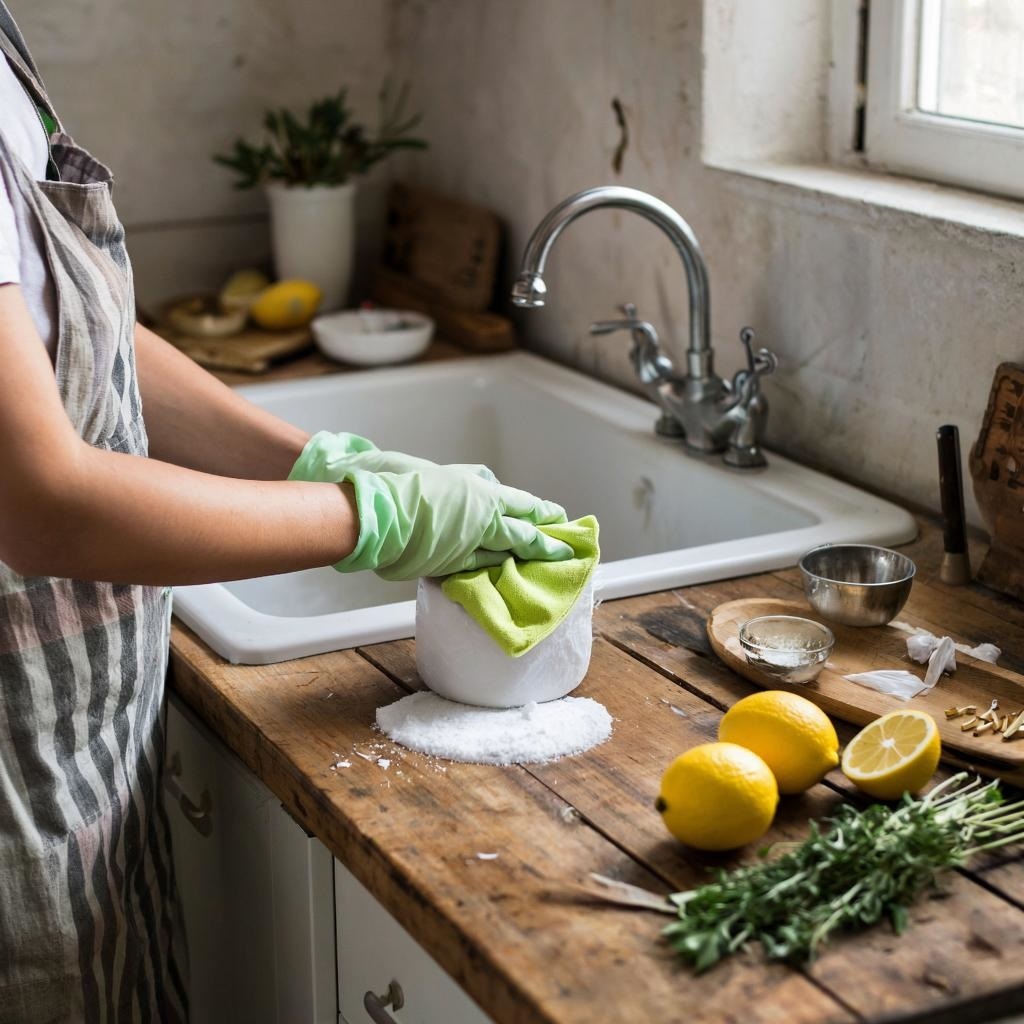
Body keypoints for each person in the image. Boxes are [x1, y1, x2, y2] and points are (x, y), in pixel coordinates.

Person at [0, 4, 571, 1020]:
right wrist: (374, 517)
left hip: (78, 754)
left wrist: (308, 458)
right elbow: (38, 499)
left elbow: (77, 335)